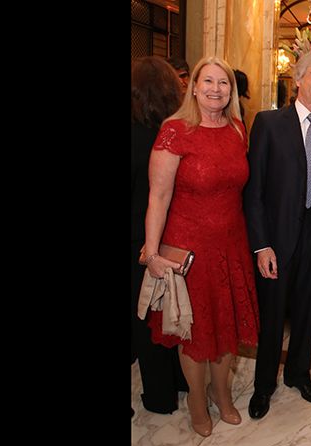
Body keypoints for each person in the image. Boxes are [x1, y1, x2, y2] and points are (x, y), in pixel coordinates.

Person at [144, 56, 260, 437]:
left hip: (232, 243)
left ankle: (222, 393)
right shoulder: (175, 130)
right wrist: (152, 253)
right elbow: (158, 197)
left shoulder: (238, 130)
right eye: (207, 81)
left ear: (231, 90)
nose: (215, 89)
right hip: (188, 247)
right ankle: (197, 399)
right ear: (192, 86)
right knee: (192, 330)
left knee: (228, 326)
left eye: (223, 83)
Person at [244, 49, 311, 420]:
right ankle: (263, 385)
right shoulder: (269, 124)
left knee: (309, 312)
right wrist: (261, 244)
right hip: (275, 238)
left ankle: (299, 375)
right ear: (299, 79)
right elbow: (254, 191)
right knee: (272, 314)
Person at [131, 56, 189, 415]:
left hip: (137, 239)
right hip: (170, 235)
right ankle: (178, 382)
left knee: (142, 318)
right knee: (167, 312)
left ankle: (158, 397)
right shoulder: (175, 135)